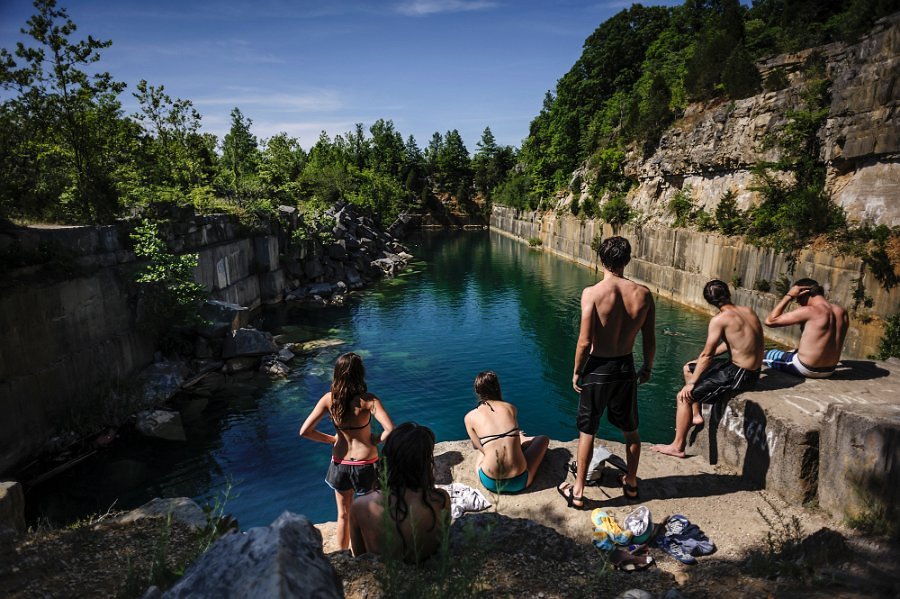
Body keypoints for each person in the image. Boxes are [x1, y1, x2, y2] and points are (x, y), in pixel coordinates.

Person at [558, 236, 655, 508]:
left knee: (588, 431)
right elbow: (649, 340)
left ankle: (578, 492)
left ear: (601, 259)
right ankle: (632, 484)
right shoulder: (644, 294)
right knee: (631, 431)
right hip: (625, 366)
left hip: (598, 367)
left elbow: (585, 341)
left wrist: (577, 371)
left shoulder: (592, 293)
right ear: (627, 260)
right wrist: (647, 366)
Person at [652, 280, 764, 459]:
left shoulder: (719, 320)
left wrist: (692, 384)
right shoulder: (748, 312)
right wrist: (699, 361)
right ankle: (696, 415)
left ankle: (677, 446)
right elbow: (734, 344)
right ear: (728, 292)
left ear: (708, 301)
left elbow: (707, 356)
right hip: (748, 369)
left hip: (740, 374)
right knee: (689, 367)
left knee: (683, 397)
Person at [299, 352, 394, 550]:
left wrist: (332, 439)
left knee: (343, 514)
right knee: (372, 512)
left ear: (337, 373)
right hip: (366, 464)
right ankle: (372, 555)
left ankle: (343, 557)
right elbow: (390, 430)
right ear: (360, 374)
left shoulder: (329, 399)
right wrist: (376, 439)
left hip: (340, 464)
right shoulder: (369, 401)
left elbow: (305, 431)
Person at [349, 422, 450, 563]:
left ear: (388, 459)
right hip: (429, 577)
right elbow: (441, 544)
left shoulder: (360, 506)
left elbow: (360, 557)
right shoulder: (440, 499)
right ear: (425, 463)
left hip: (387, 580)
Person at [464, 371, 550, 494]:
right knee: (543, 439)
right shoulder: (510, 408)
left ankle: (520, 438)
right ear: (497, 387)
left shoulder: (469, 417)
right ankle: (522, 437)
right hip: (520, 481)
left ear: (477, 391)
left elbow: (480, 448)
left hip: (491, 482)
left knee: (482, 452)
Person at [762, 278, 848, 378]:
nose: (797, 301)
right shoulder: (842, 312)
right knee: (790, 352)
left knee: (761, 355)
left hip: (805, 368)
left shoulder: (810, 310)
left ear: (803, 292)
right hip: (830, 370)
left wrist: (789, 296)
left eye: (797, 297)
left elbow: (770, 321)